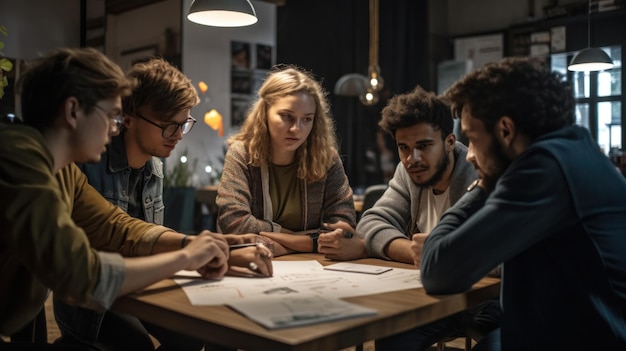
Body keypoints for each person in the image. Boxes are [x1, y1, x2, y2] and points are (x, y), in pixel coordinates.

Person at [0, 48, 230, 347]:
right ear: (72, 111)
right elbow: (81, 274)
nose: (115, 127)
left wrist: (193, 243)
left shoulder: (62, 169)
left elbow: (114, 226)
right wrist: (186, 257)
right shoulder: (20, 161)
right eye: (110, 115)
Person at [418, 57, 626, 350]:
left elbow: (438, 270)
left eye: (473, 139)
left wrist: (481, 185)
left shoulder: (544, 169)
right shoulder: (575, 151)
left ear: (505, 130)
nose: (469, 155)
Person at [318, 85, 500, 350]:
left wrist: (445, 255)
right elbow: (370, 224)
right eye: (404, 147)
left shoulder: (478, 171)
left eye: (424, 146)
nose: (412, 158)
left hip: (482, 301)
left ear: (450, 142)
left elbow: (501, 253)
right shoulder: (409, 171)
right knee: (391, 338)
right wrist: (416, 252)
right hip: (430, 297)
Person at [216, 65, 356, 256]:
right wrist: (297, 239)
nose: (296, 129)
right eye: (287, 117)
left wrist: (279, 244)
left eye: (307, 119)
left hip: (315, 268)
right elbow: (234, 222)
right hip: (256, 264)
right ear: (265, 112)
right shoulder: (241, 154)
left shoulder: (327, 158)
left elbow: (344, 226)